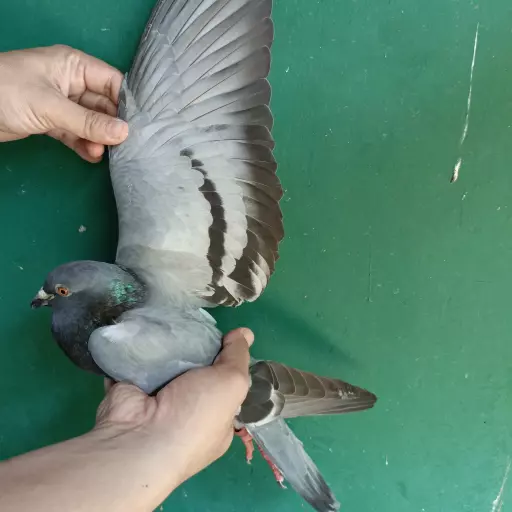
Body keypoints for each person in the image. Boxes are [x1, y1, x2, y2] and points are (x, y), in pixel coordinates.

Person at [0, 45, 253, 512]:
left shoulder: (111, 341)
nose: (45, 297)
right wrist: (150, 449)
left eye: (58, 292)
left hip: (221, 384)